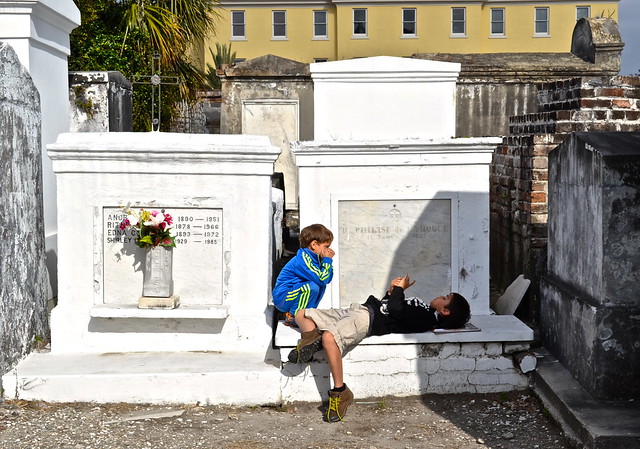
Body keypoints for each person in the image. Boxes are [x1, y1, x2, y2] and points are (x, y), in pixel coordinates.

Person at [290, 274, 470, 423]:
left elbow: (394, 308)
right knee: (301, 314)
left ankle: (340, 391)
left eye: (445, 298)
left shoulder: (427, 318)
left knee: (329, 338)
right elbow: (389, 305)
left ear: (445, 311)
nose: (440, 296)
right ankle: (311, 340)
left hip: (368, 319)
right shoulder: (424, 309)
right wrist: (393, 291)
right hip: (361, 309)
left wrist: (400, 290)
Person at [272, 224, 335, 362]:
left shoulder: (315, 259)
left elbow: (326, 278)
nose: (329, 250)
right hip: (283, 296)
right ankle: (294, 316)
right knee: (311, 286)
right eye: (326, 246)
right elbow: (323, 278)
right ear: (314, 244)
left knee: (317, 286)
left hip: (293, 293)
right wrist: (327, 260)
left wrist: (326, 262)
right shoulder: (303, 259)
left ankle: (306, 316)